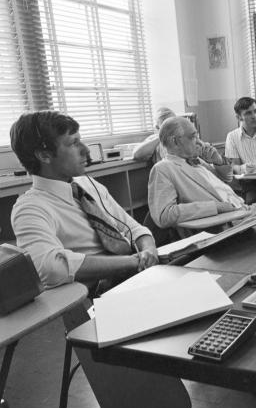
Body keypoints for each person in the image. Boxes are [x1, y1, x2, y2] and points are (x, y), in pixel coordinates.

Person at [10, 111, 159, 289]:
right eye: (74, 143)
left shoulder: (87, 185)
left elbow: (132, 228)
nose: (86, 150)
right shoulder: (30, 209)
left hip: (139, 273)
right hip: (105, 291)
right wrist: (131, 261)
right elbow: (50, 268)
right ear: (44, 155)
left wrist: (148, 250)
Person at [149, 116, 256, 228]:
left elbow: (230, 178)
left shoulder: (198, 161)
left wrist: (217, 160)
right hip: (233, 219)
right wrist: (216, 207)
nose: (199, 141)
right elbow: (164, 216)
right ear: (175, 141)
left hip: (247, 209)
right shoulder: (164, 169)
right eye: (193, 137)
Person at [133, 107, 232, 184]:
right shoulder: (158, 145)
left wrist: (218, 161)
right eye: (167, 125)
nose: (173, 128)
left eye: (174, 124)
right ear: (157, 127)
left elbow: (225, 178)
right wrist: (164, 134)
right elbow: (137, 154)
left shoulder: (190, 144)